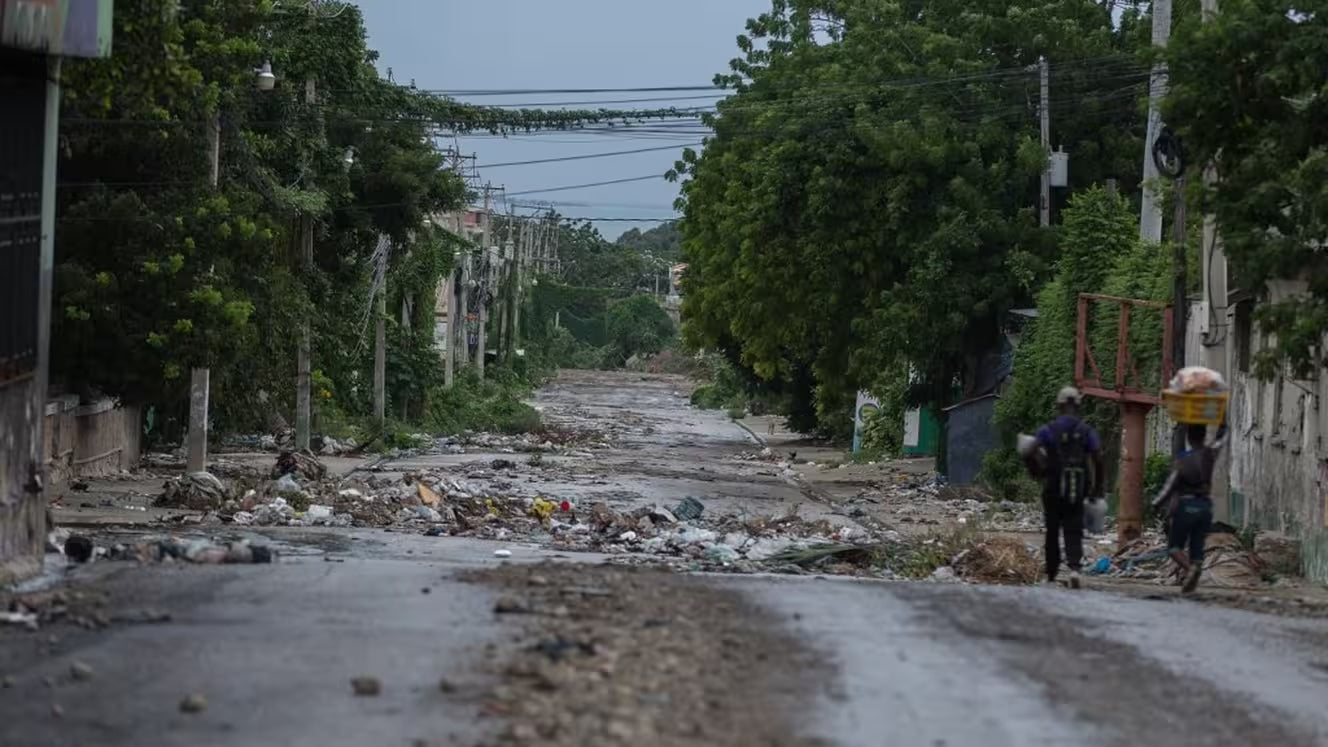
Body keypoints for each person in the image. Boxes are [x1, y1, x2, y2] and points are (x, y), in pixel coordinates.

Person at [1024, 386, 1104, 589]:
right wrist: (1097, 487)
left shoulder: (1048, 430)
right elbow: (1097, 457)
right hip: (1077, 487)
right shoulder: (1086, 431)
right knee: (1074, 528)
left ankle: (1051, 575)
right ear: (1077, 406)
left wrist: (1036, 470)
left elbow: (1029, 449)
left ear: (1059, 406)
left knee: (1052, 530)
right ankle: (1075, 569)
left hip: (1052, 486)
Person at [1151, 419, 1228, 593]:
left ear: (1189, 438)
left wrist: (1157, 503)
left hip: (1186, 506)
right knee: (1197, 547)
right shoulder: (1211, 455)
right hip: (1205, 506)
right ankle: (1194, 570)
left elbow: (1170, 485)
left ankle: (1190, 569)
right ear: (1203, 437)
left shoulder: (1183, 460)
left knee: (1175, 547)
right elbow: (1222, 439)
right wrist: (1223, 420)